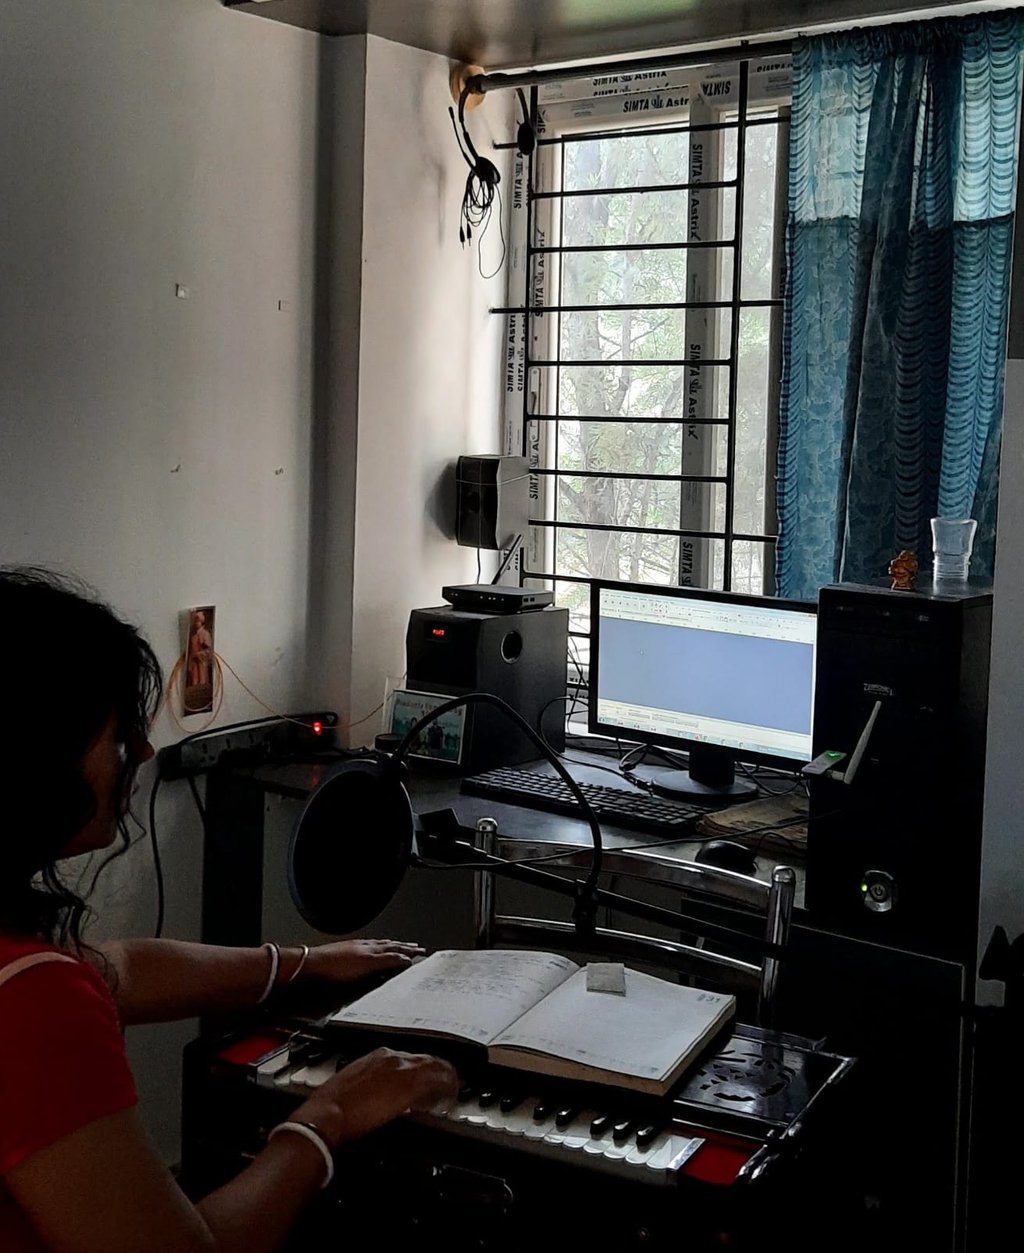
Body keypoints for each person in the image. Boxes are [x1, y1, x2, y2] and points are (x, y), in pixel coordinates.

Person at [0, 567, 459, 1253]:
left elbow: (113, 969)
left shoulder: (29, 973)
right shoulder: (33, 1003)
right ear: (39, 754)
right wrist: (326, 1117)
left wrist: (304, 963)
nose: (145, 752)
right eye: (122, 732)